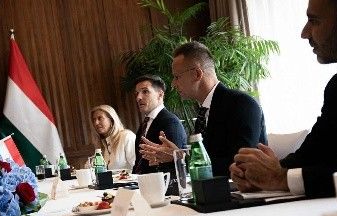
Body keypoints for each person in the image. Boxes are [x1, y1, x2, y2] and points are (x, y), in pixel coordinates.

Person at [231, 0, 337, 198]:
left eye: (314, 21)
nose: (304, 33)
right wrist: (259, 173)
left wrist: (279, 178)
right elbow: (316, 153)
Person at [142, 41, 267, 176]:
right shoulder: (203, 113)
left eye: (177, 77)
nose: (173, 84)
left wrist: (180, 157)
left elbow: (239, 164)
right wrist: (177, 156)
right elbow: (209, 161)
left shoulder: (241, 104)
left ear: (197, 74)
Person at [133, 75, 187, 174]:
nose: (138, 98)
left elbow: (176, 164)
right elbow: (138, 163)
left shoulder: (170, 121)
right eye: (137, 93)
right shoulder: (144, 124)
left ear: (160, 95)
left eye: (145, 91)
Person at [90, 105, 136, 170]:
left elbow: (139, 167)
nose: (96, 123)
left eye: (100, 118)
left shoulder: (127, 136)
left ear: (111, 120)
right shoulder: (102, 144)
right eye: (94, 120)